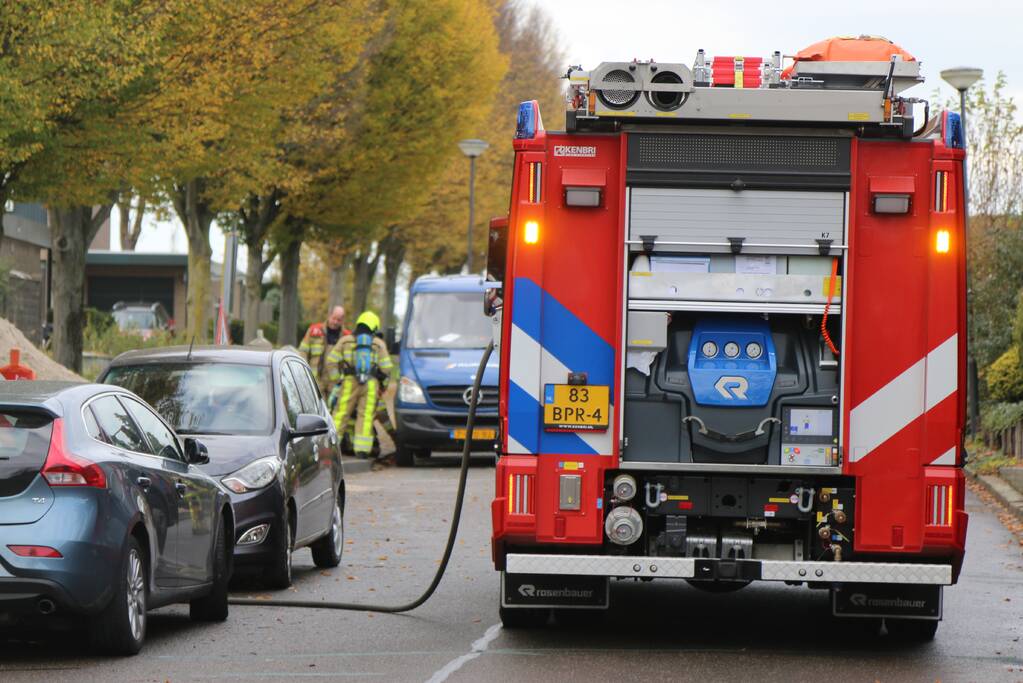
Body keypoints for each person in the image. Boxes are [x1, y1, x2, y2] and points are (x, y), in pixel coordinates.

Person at [327, 311, 393, 458]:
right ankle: (362, 450)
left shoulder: (345, 341)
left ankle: (332, 447)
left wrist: (338, 379)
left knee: (341, 414)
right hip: (371, 385)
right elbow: (387, 368)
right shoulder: (378, 344)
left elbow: (331, 361)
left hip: (349, 382)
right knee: (366, 416)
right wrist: (382, 385)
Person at [298, 305, 347, 396]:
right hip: (316, 380)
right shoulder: (314, 331)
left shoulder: (346, 337)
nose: (335, 322)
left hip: (335, 383)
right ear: (329, 315)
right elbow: (303, 351)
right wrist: (305, 372)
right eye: (334, 318)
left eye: (339, 320)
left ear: (343, 320)